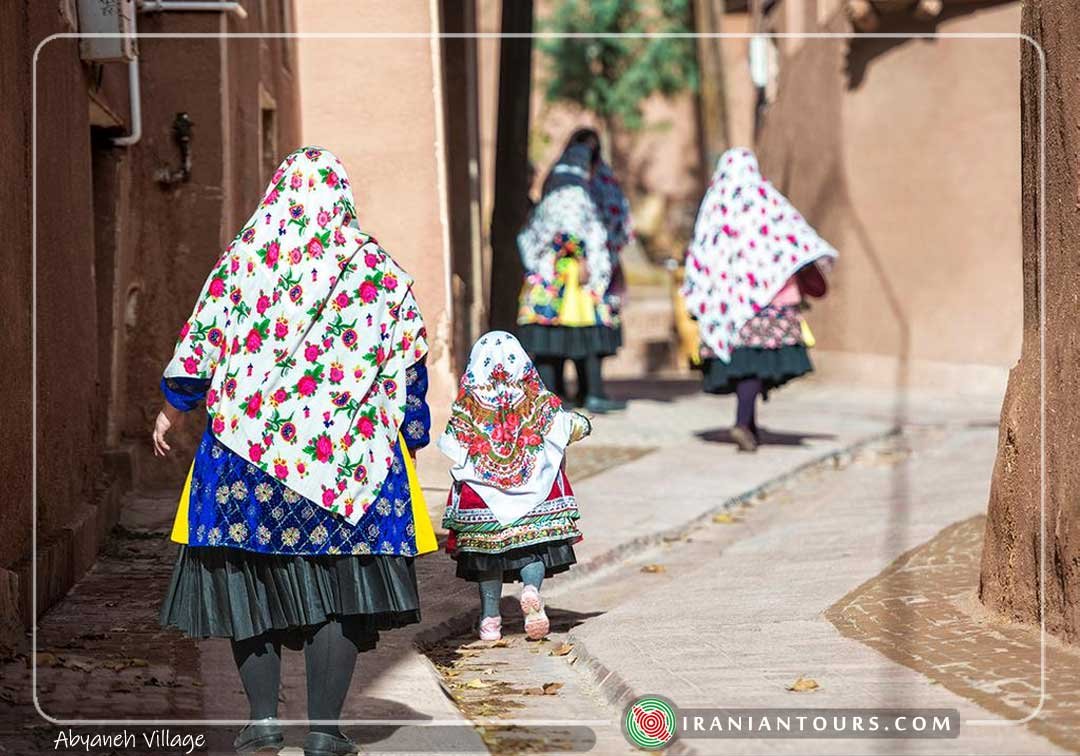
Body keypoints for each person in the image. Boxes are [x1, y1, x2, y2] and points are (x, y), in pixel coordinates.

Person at [152, 147, 436, 756]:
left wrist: (173, 408)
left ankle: (261, 721)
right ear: (341, 195)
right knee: (339, 587)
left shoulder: (243, 260)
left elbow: (199, 343)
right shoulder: (378, 270)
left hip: (245, 459)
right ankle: (325, 732)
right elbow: (411, 359)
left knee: (250, 580)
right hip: (350, 465)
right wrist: (411, 429)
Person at [438, 331, 592, 641]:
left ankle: (490, 619)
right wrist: (583, 424)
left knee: (488, 560)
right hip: (534, 495)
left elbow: (451, 443)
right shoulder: (539, 398)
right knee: (531, 550)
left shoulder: (468, 403)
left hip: (483, 499)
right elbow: (571, 426)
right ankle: (531, 590)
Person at [682, 147, 837, 453]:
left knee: (747, 364)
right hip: (771, 298)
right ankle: (744, 424)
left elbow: (701, 251)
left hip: (727, 303)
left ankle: (747, 424)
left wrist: (702, 295)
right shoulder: (765, 199)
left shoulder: (716, 203)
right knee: (758, 364)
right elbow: (797, 237)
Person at [517, 131, 629, 413]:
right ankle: (590, 393)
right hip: (580, 278)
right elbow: (597, 235)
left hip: (552, 279)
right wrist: (592, 264)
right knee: (584, 333)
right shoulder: (583, 195)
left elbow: (531, 238)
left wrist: (545, 263)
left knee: (552, 336)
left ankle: (552, 398)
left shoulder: (553, 194)